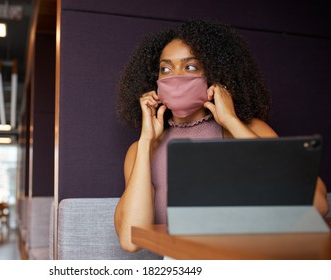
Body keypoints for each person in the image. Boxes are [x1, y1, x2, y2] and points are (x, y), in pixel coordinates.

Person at [114, 18, 329, 252]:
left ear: (214, 75)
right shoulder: (140, 151)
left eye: (190, 67)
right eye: (165, 69)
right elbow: (129, 238)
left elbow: (316, 203)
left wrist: (232, 122)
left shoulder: (249, 130)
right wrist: (147, 142)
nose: (175, 77)